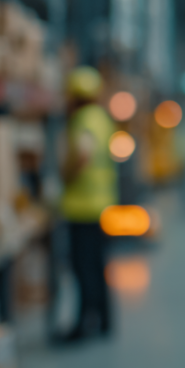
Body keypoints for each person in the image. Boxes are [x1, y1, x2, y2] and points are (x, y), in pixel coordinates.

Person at [60, 66, 118, 342]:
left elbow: (83, 154)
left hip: (82, 206)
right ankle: (104, 320)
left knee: (83, 269)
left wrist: (67, 175)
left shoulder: (83, 119)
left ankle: (85, 323)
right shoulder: (102, 118)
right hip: (102, 203)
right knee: (98, 265)